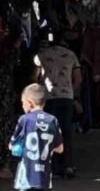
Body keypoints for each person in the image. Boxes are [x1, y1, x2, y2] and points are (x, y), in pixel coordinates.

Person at [34, 35, 81, 179]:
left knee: (49, 132)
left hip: (48, 99)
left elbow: (34, 78)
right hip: (66, 99)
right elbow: (78, 79)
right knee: (66, 132)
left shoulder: (41, 55)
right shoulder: (71, 55)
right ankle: (68, 166)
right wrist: (72, 93)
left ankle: (52, 168)